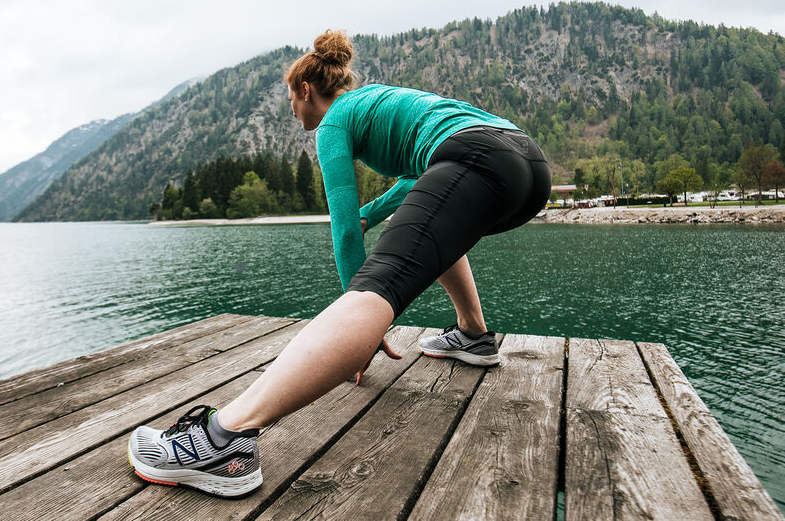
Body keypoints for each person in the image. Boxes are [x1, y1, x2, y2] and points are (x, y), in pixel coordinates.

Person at [127, 29, 551, 497]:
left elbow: (345, 231)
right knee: (433, 230)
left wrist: (368, 325)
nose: (291, 109)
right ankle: (473, 334)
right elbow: (425, 184)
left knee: (380, 280)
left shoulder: (334, 122)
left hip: (477, 157)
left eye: (290, 97)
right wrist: (374, 211)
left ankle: (224, 438)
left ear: (305, 89)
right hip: (526, 164)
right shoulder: (375, 102)